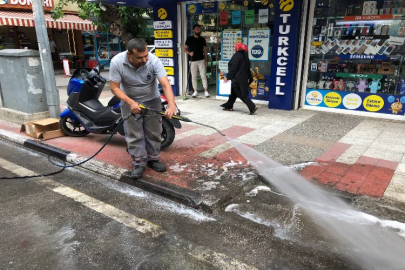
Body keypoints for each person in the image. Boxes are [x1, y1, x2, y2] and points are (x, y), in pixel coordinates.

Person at [109, 38, 177, 179]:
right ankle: (139, 163)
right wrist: (130, 102)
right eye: (140, 57)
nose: (145, 59)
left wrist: (171, 105)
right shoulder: (117, 62)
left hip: (152, 100)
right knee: (134, 134)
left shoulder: (153, 60)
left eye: (146, 55)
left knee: (154, 132)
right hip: (129, 101)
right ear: (129, 54)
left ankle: (154, 160)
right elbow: (114, 88)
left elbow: (165, 84)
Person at [220, 43, 258, 115]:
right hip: (243, 78)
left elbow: (233, 67)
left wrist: (228, 77)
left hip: (237, 79)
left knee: (241, 94)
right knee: (233, 93)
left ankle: (253, 107)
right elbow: (248, 68)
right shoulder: (246, 56)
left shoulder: (237, 55)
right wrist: (249, 77)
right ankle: (229, 106)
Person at [184, 24, 210, 98]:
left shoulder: (202, 39)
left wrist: (206, 60)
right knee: (194, 76)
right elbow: (184, 49)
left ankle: (206, 91)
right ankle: (195, 91)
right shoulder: (189, 39)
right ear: (193, 30)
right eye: (197, 29)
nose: (198, 30)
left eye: (199, 29)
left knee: (203, 75)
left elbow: (205, 50)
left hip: (201, 60)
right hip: (193, 60)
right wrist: (189, 53)